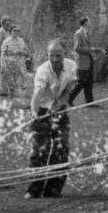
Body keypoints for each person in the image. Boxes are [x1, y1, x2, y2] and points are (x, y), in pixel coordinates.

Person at [27, 39, 76, 198]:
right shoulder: (43, 71)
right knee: (40, 150)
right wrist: (35, 112)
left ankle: (54, 188)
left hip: (60, 110)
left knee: (62, 149)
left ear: (65, 54)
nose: (55, 59)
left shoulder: (71, 66)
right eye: (51, 55)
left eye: (58, 55)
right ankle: (34, 189)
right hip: (42, 110)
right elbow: (38, 94)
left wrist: (58, 105)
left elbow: (68, 91)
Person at [0, 23, 31, 106]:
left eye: (17, 31)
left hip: (20, 64)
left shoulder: (21, 40)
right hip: (9, 64)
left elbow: (26, 52)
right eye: (14, 30)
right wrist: (2, 66)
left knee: (21, 82)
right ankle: (10, 101)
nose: (16, 32)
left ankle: (23, 102)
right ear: (10, 31)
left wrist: (21, 52)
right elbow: (3, 54)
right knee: (11, 84)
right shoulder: (6, 41)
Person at [67, 16, 95, 106]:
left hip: (88, 60)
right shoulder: (78, 33)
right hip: (82, 61)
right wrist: (91, 49)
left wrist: (93, 50)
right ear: (85, 23)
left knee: (89, 82)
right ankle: (69, 98)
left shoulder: (86, 33)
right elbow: (77, 48)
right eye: (88, 21)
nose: (90, 22)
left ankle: (89, 102)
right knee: (82, 82)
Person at [0, 15, 14, 96]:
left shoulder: (9, 31)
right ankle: (3, 90)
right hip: (3, 55)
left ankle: (8, 89)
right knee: (4, 72)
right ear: (3, 24)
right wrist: (4, 52)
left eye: (9, 25)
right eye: (7, 25)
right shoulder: (0, 31)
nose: (8, 26)